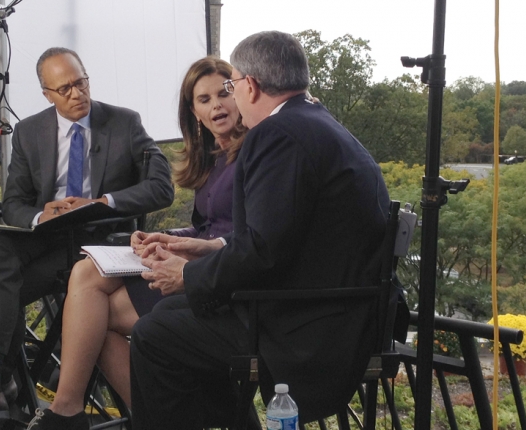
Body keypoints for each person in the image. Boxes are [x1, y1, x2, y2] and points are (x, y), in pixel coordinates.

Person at [130, 31, 391, 429]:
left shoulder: (277, 134)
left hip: (310, 325)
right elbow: (277, 235)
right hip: (333, 307)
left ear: (250, 86)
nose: (229, 99)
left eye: (230, 87)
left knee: (155, 334)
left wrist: (185, 274)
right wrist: (200, 251)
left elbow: (264, 250)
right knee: (173, 314)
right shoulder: (314, 122)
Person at [0, 47, 174, 427]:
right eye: (63, 89)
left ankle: (5, 386)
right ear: (47, 94)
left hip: (101, 244)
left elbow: (161, 188)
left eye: (80, 82)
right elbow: (12, 202)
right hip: (50, 239)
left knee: (0, 289)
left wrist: (104, 200)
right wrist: (40, 213)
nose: (76, 94)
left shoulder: (125, 123)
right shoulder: (30, 131)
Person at [24, 56, 246, 429]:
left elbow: (247, 235)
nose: (217, 106)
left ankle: (76, 413)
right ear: (194, 112)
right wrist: (166, 237)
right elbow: (205, 227)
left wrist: (181, 247)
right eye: (204, 100)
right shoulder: (213, 157)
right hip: (195, 260)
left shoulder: (254, 151)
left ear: (240, 92)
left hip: (215, 275)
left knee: (94, 319)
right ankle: (128, 416)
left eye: (223, 94)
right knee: (86, 276)